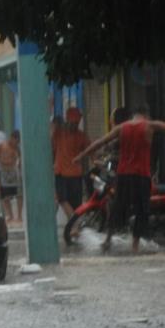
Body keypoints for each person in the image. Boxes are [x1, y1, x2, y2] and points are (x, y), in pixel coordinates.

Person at [74, 104, 165, 253]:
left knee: (118, 207)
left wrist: (81, 156)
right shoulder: (150, 125)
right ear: (146, 115)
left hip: (123, 175)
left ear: (133, 116)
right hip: (141, 175)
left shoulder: (122, 127)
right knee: (142, 210)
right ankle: (135, 246)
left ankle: (108, 239)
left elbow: (100, 142)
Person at [52, 107, 91, 219]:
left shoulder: (81, 136)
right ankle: (74, 224)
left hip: (75, 174)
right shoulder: (58, 133)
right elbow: (51, 146)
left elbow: (90, 149)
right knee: (62, 199)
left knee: (75, 203)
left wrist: (93, 159)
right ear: (67, 120)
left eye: (77, 122)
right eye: (73, 122)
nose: (75, 125)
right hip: (61, 172)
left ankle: (74, 224)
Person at [0, 130, 22, 223]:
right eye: (16, 141)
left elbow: (19, 159)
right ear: (11, 138)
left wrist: (17, 163)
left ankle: (19, 216)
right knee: (5, 196)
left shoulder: (17, 149)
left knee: (18, 194)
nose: (16, 143)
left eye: (18, 142)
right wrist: (2, 161)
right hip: (4, 172)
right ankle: (10, 215)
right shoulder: (2, 146)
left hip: (14, 173)